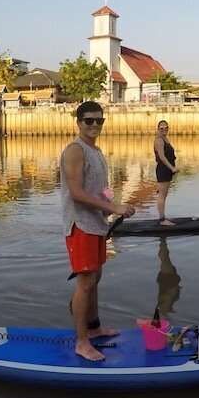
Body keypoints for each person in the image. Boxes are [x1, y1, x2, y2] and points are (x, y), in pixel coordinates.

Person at [61, 101, 135, 361]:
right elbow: (77, 194)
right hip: (80, 226)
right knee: (85, 284)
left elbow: (97, 190)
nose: (94, 125)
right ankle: (82, 342)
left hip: (97, 225)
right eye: (89, 120)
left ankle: (93, 330)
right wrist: (113, 205)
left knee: (95, 281)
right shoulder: (75, 150)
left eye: (99, 121)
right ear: (78, 122)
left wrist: (110, 208)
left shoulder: (97, 151)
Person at [153, 120, 178, 225]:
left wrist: (173, 167)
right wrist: (172, 168)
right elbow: (162, 157)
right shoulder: (159, 140)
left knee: (164, 194)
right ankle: (162, 220)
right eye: (161, 128)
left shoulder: (165, 139)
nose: (164, 130)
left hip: (166, 170)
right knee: (162, 196)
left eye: (166, 127)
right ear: (158, 129)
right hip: (163, 169)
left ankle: (163, 217)